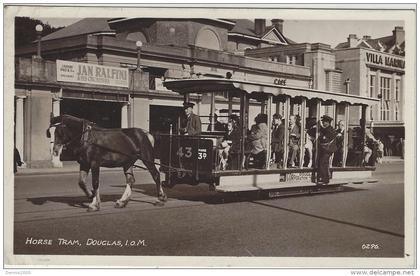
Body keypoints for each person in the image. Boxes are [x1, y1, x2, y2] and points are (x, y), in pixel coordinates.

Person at [317, 115, 337, 185]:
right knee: (324, 163)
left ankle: (325, 179)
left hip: (328, 149)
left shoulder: (330, 130)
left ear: (328, 122)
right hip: (325, 149)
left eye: (324, 122)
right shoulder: (327, 129)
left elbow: (325, 138)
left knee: (323, 162)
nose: (323, 123)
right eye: (323, 122)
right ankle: (324, 177)